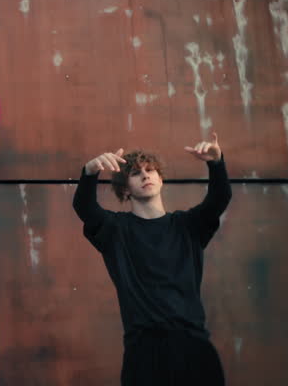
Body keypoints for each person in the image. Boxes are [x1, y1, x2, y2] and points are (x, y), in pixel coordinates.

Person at [72, 133, 232, 386]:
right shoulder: (116, 230)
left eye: (151, 170)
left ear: (161, 179)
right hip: (144, 353)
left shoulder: (187, 225)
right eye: (136, 173)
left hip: (194, 347)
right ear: (124, 188)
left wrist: (216, 162)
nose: (146, 175)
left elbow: (219, 199)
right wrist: (90, 171)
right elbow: (85, 208)